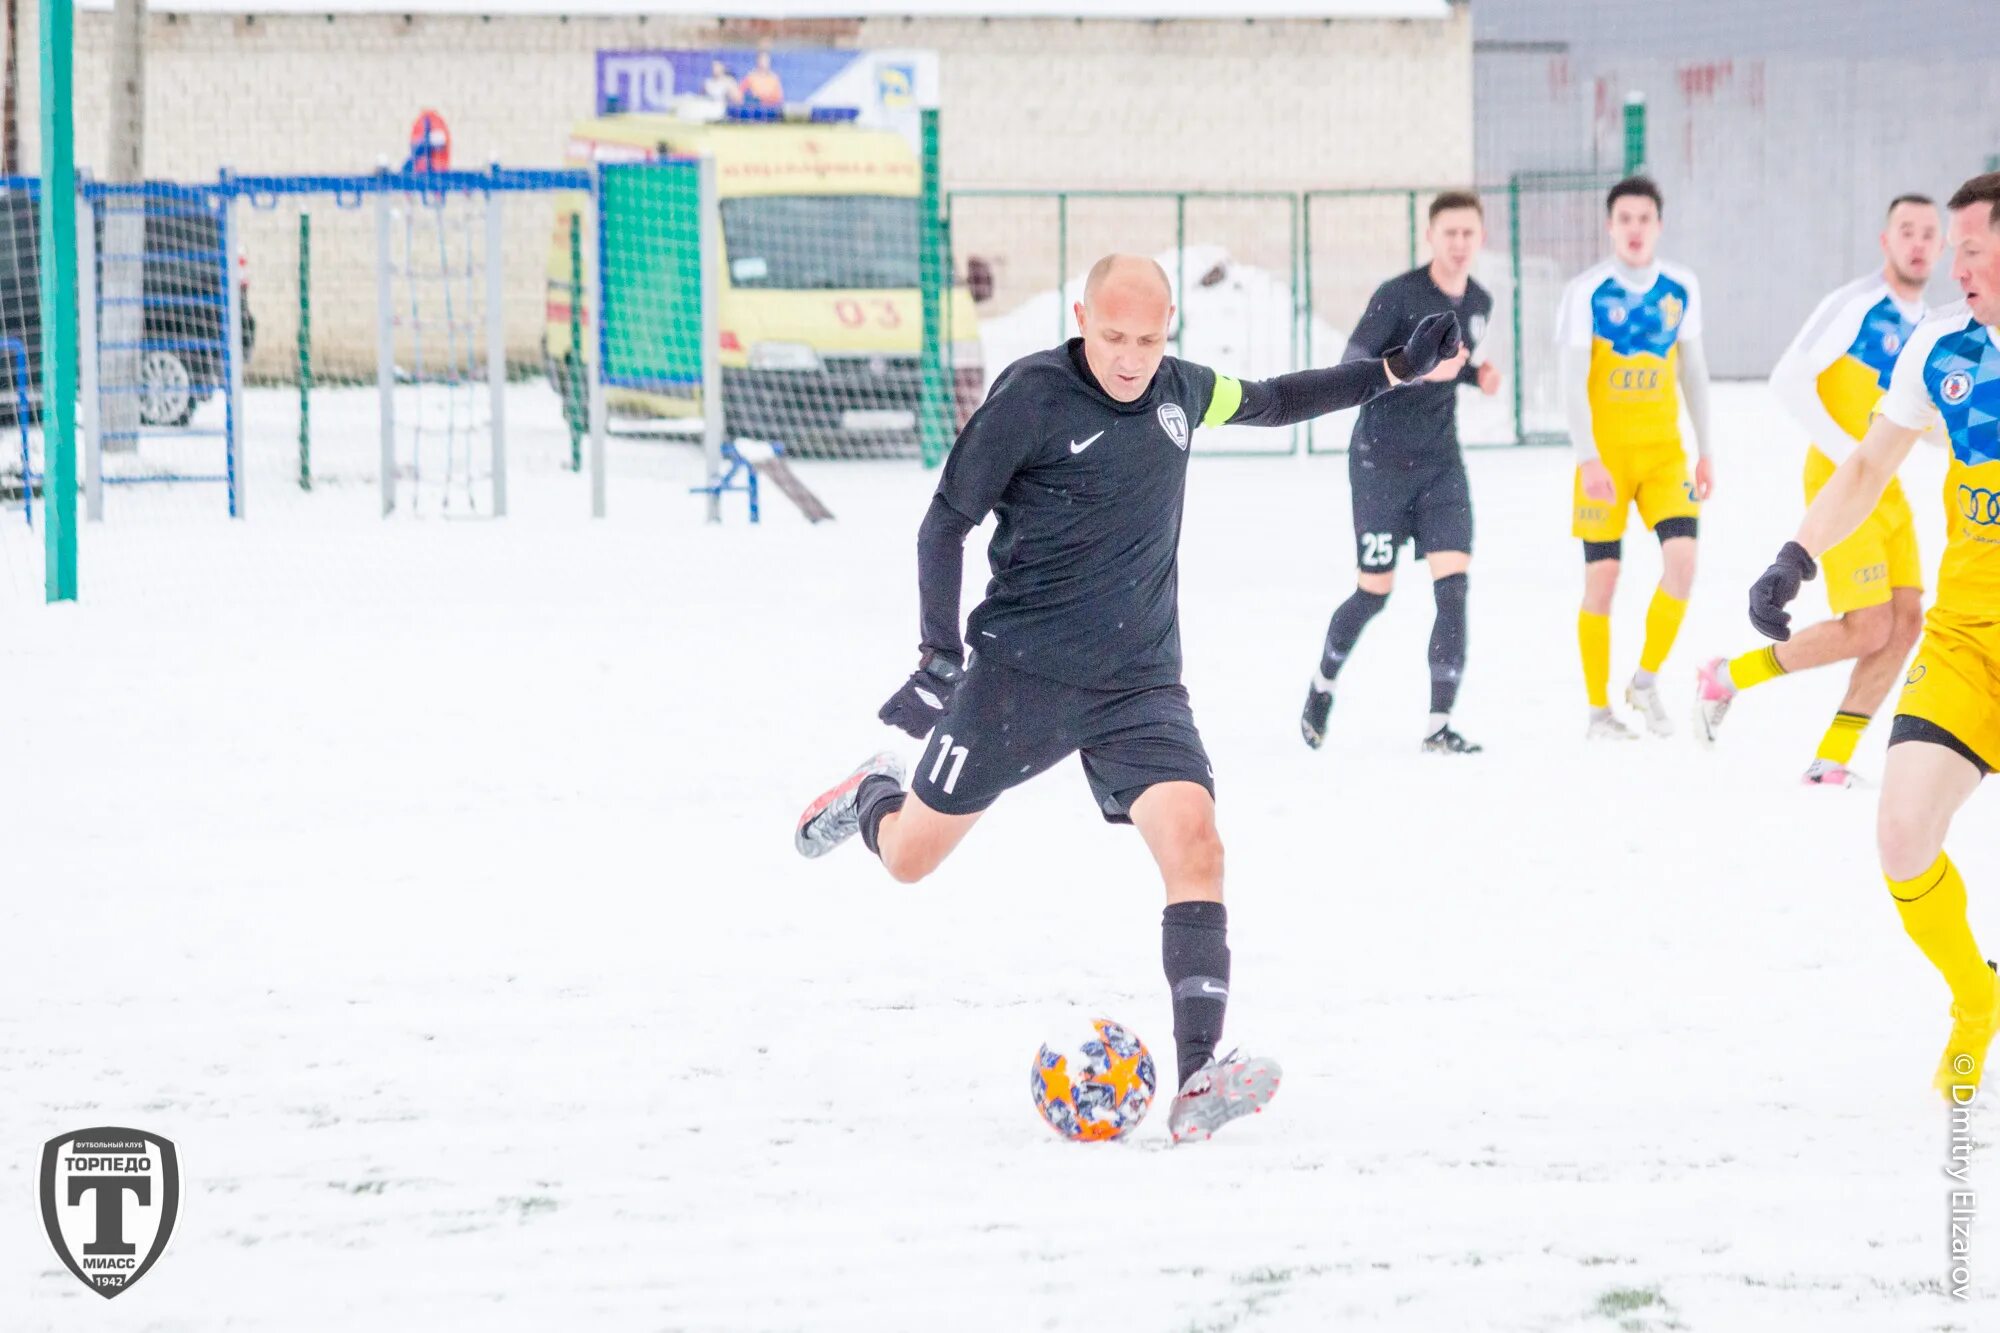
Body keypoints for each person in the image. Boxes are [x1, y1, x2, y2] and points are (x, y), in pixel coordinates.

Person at [794, 254, 1461, 1144]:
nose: (1130, 357)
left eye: (1149, 339)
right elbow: (944, 521)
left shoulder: (1181, 392)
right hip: (1018, 676)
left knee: (1197, 844)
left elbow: (1273, 398)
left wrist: (1389, 370)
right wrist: (938, 653)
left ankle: (1198, 1081)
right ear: (1080, 317)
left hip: (1139, 680)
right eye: (1112, 336)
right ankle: (875, 790)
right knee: (912, 857)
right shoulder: (1029, 396)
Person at [1746, 172, 2000, 1101]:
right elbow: (1866, 463)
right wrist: (1795, 556)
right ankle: (1977, 999)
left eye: (1973, 246)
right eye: (1955, 246)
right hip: (1971, 636)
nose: (1956, 264)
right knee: (1901, 836)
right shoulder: (1942, 348)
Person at [1695, 197, 1944, 782]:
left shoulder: (1930, 325)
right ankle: (1727, 677)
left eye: (1930, 234)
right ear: (1885, 240)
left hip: (1890, 486)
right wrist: (1852, 459)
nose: (1918, 243)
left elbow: (1923, 421)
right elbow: (1788, 381)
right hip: (1842, 481)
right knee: (1869, 626)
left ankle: (1830, 762)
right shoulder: (1859, 305)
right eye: (1906, 231)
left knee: (1907, 621)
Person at [1301, 189, 1502, 754]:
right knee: (1374, 593)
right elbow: (1351, 365)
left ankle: (1438, 727)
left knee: (1453, 591)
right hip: (1380, 464)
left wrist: (1475, 375)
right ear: (1431, 237)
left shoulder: (1480, 301)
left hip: (1441, 466)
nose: (1459, 244)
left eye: (1469, 234)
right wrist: (1424, 373)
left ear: (1480, 239)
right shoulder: (1398, 296)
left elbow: (1453, 364)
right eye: (1449, 233)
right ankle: (1322, 685)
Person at [1556, 176, 1715, 740]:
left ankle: (1645, 681)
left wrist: (1706, 451)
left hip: (1664, 458)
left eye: (1644, 218)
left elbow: (1693, 373)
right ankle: (1599, 711)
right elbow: (1572, 385)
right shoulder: (1588, 291)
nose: (1634, 228)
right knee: (1604, 577)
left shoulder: (1681, 287)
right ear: (1610, 226)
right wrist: (1588, 459)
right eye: (1624, 218)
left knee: (1684, 561)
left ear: (1659, 225)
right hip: (1604, 461)